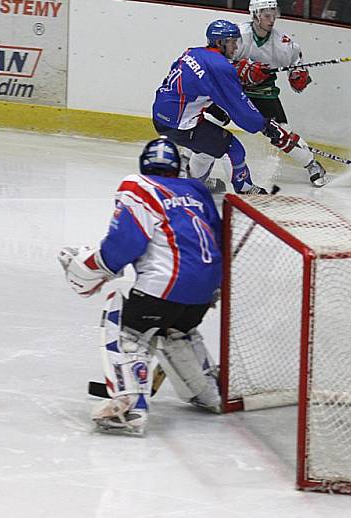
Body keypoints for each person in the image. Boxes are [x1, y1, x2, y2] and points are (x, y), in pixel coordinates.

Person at [57, 138, 225, 435]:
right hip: (206, 288)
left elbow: (124, 245)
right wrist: (214, 285)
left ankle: (130, 408)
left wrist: (92, 269)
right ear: (178, 168)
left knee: (125, 325)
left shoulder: (139, 186)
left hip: (165, 286)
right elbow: (219, 237)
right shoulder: (197, 190)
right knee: (176, 329)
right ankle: (208, 391)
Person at [152, 19, 311, 194]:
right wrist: (265, 126)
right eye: (233, 42)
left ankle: (194, 185)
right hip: (179, 124)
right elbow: (238, 106)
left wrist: (235, 71)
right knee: (233, 148)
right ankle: (245, 188)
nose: (236, 47)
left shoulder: (194, 52)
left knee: (206, 150)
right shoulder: (219, 67)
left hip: (162, 114)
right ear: (220, 42)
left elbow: (198, 80)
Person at [232, 0, 328, 187]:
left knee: (281, 133)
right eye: (266, 15)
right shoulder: (238, 35)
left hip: (263, 92)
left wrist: (299, 74)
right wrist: (239, 69)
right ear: (255, 15)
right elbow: (218, 61)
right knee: (209, 120)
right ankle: (188, 159)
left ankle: (312, 165)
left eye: (273, 14)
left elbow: (296, 61)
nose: (271, 19)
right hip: (232, 90)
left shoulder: (282, 44)